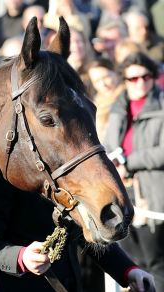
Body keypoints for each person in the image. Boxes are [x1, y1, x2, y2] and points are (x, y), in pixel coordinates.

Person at [0, 170, 155, 292]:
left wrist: (128, 270)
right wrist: (20, 257)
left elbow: (84, 232)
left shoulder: (66, 167)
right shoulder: (1, 172)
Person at [104, 51, 164, 292]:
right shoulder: (118, 108)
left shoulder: (161, 105)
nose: (140, 83)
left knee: (155, 263)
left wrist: (129, 161)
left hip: (153, 196)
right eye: (133, 79)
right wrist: (115, 159)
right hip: (123, 193)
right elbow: (108, 144)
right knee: (131, 265)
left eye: (146, 77)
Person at [87, 57, 124, 142]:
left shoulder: (127, 96)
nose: (103, 84)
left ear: (115, 73)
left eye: (106, 77)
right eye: (97, 81)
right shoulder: (95, 105)